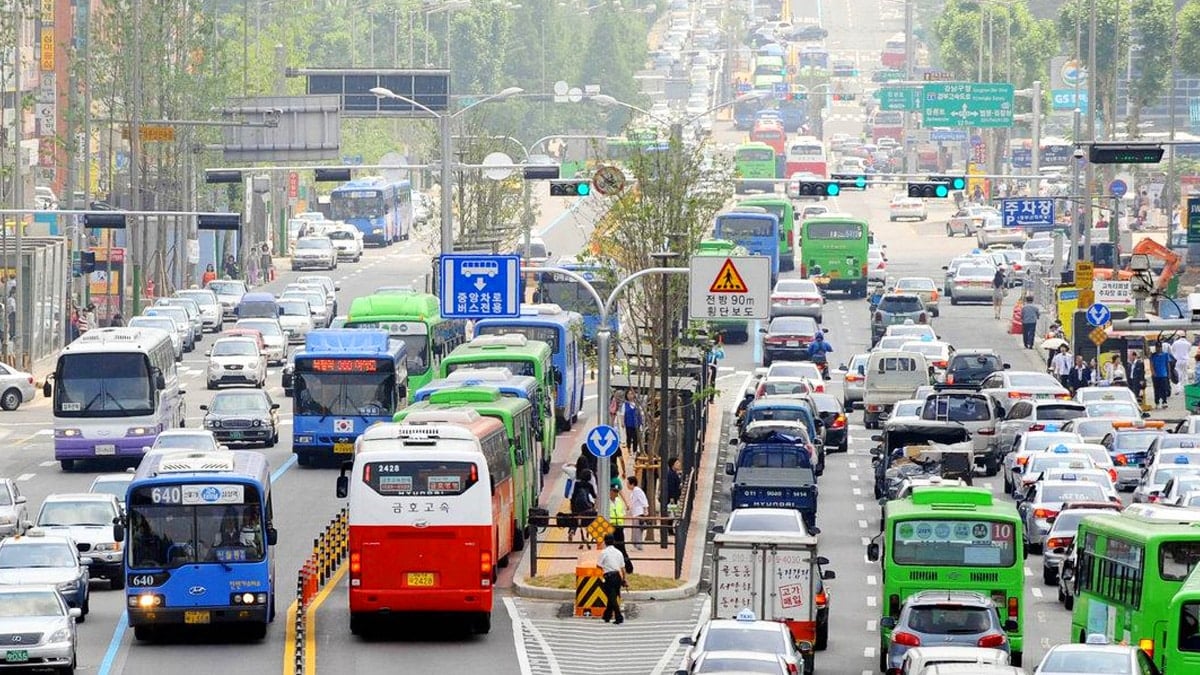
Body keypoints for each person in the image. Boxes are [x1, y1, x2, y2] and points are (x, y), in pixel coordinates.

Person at [597, 533, 626, 624]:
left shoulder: (604, 552)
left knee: (612, 598)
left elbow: (598, 565)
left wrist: (605, 568)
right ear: (614, 541)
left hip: (609, 577)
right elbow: (623, 568)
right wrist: (624, 579)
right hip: (618, 576)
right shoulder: (619, 552)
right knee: (612, 597)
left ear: (605, 542)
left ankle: (618, 617)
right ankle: (607, 616)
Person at [568, 467, 597, 547]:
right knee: (588, 521)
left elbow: (573, 495)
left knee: (577, 521)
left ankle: (574, 532)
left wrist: (572, 506)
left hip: (576, 505)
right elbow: (594, 495)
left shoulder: (577, 484)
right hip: (587, 506)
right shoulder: (589, 485)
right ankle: (586, 538)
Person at [619, 389, 645, 459]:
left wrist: (642, 422)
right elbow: (622, 414)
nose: (630, 395)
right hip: (629, 424)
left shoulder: (638, 404)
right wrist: (622, 422)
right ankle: (628, 450)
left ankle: (634, 451)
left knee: (636, 438)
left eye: (632, 394)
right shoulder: (625, 404)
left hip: (637, 424)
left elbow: (641, 414)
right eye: (629, 394)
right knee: (629, 437)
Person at [626, 476, 649, 551]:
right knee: (635, 529)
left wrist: (645, 509)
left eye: (628, 483)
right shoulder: (634, 491)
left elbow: (643, 500)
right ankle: (636, 545)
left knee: (637, 530)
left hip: (639, 512)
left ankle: (638, 545)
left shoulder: (637, 490)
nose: (627, 485)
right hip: (635, 513)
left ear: (632, 484)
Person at [1150, 344, 1173, 409]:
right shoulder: (1153, 355)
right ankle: (1157, 402)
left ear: (1161, 347)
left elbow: (1167, 364)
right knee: (1156, 389)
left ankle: (1164, 401)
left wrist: (1169, 373)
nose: (1158, 348)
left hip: (1164, 375)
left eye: (1159, 347)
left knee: (1164, 389)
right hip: (1156, 376)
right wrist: (1153, 372)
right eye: (1157, 347)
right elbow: (1151, 364)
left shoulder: (1165, 355)